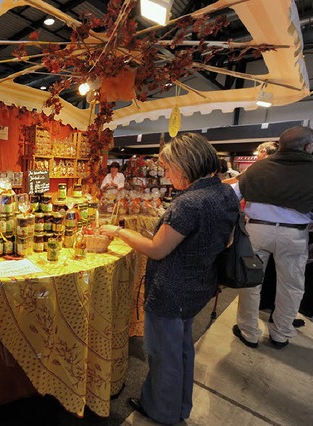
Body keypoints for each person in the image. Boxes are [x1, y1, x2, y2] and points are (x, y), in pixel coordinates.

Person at [99, 133, 239, 425]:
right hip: (200, 284)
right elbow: (227, 240)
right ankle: (178, 406)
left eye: (168, 167)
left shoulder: (189, 203)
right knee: (181, 349)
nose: (165, 173)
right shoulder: (224, 193)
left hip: (171, 290)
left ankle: (161, 411)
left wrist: (118, 232)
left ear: (185, 164)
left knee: (164, 356)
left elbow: (157, 249)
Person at [230, 126, 313, 349]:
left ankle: (248, 331)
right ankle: (281, 334)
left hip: (257, 231)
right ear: (308, 146)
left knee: (251, 280)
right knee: (291, 285)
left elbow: (233, 194)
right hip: (294, 234)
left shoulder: (258, 168)